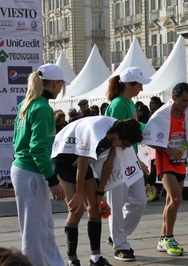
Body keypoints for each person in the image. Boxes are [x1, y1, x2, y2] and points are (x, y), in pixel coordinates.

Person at [52, 117, 143, 266]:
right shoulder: (95, 132)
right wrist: (79, 193)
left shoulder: (116, 134)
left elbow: (108, 165)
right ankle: (72, 260)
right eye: (125, 144)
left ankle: (96, 258)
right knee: (76, 210)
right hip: (63, 161)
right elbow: (82, 162)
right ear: (117, 136)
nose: (125, 148)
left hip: (81, 162)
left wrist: (100, 194)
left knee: (95, 208)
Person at [11, 63, 69, 266]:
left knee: (42, 225)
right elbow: (37, 149)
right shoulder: (43, 108)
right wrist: (53, 180)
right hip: (31, 171)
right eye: (61, 84)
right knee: (35, 229)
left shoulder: (27, 103)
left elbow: (17, 141)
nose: (61, 88)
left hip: (24, 168)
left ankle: (52, 263)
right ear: (55, 83)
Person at [141, 82, 188, 256]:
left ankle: (163, 238)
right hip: (165, 161)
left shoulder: (186, 115)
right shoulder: (161, 115)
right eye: (184, 101)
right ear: (174, 98)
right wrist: (166, 149)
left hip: (181, 160)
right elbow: (148, 137)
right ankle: (169, 237)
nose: (187, 105)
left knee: (171, 201)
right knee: (177, 199)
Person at [104, 66, 151, 261]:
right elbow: (116, 136)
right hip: (116, 159)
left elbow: (132, 133)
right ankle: (120, 244)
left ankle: (117, 236)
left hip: (129, 157)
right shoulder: (118, 104)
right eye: (139, 84)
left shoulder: (129, 103)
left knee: (140, 200)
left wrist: (137, 158)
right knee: (117, 202)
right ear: (129, 84)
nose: (141, 88)